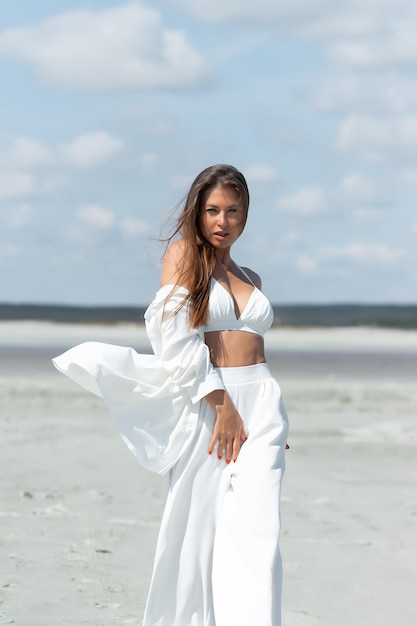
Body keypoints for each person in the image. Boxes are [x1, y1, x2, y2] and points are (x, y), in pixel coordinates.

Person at [53, 164, 289, 626]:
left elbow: (255, 352)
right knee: (195, 532)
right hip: (209, 405)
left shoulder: (252, 276)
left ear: (246, 215)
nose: (223, 221)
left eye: (233, 211)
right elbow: (174, 337)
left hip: (263, 405)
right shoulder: (184, 256)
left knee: (259, 535)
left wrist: (269, 415)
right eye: (213, 210)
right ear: (197, 213)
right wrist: (220, 403)